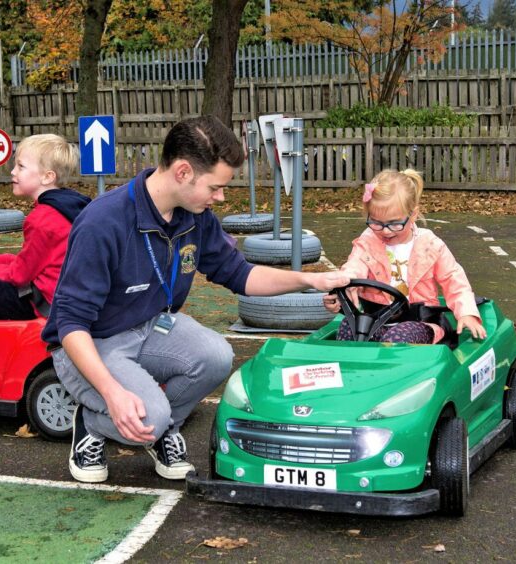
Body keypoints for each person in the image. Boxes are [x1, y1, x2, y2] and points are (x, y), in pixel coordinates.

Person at [42, 115, 350, 483]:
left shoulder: (195, 215)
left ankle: (159, 431)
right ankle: (92, 422)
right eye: (215, 187)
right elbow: (71, 324)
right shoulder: (103, 221)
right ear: (183, 172)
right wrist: (111, 393)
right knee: (146, 417)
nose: (220, 197)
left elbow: (242, 275)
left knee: (216, 356)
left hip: (150, 326)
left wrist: (309, 280)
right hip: (91, 342)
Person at [322, 168, 486, 344]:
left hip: (420, 322)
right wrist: (343, 289)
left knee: (396, 338)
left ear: (413, 215)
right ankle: (351, 370)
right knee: (348, 327)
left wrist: (466, 312)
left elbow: (454, 279)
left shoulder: (430, 245)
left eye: (394, 223)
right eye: (376, 223)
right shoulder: (368, 241)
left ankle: (394, 370)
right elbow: (354, 268)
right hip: (374, 320)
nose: (385, 230)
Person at [0, 134, 90, 320]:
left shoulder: (42, 219)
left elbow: (18, 276)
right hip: (65, 299)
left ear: (47, 177)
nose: (13, 172)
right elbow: (31, 263)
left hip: (44, 305)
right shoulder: (68, 205)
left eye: (21, 166)